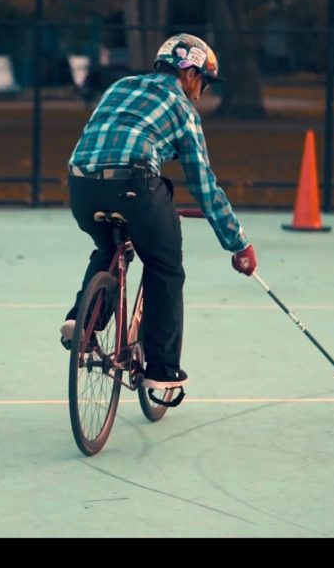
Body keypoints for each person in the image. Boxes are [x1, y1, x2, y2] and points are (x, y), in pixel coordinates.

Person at [60, 33, 257, 390]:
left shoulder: (121, 86)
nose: (203, 91)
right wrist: (237, 243)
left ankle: (82, 322)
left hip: (80, 184)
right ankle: (161, 370)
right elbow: (203, 185)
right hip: (135, 187)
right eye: (205, 82)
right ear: (190, 74)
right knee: (164, 266)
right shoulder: (183, 109)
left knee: (107, 249)